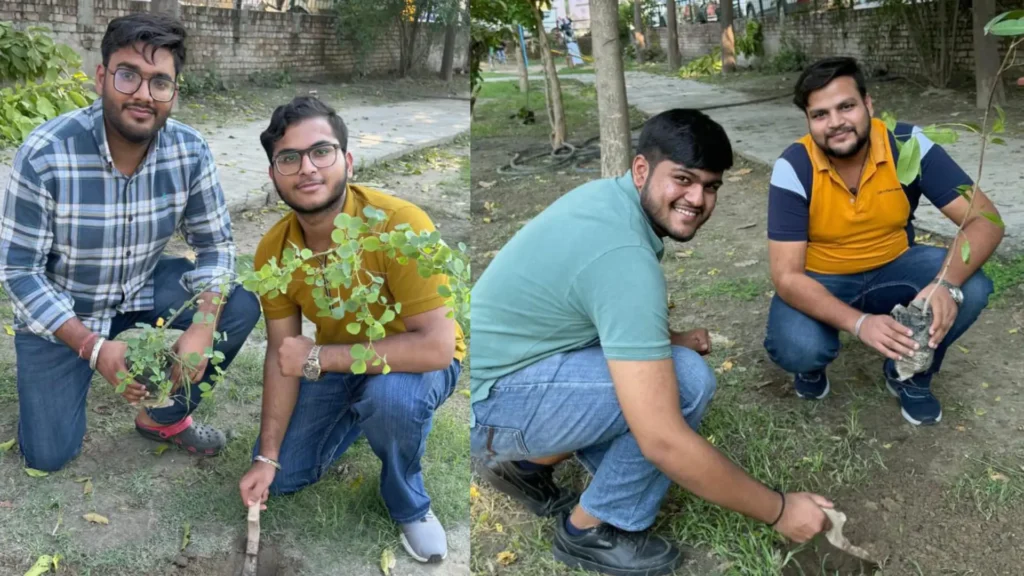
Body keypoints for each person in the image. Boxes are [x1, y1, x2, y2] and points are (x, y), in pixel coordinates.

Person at [470, 109, 833, 576]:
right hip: (492, 406)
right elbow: (661, 439)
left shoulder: (609, 202)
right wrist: (779, 509)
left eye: (711, 185)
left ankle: (526, 467)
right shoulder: (623, 255)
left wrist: (673, 338)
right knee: (684, 383)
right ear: (642, 169)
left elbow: (593, 307)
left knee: (671, 363)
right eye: (682, 179)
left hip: (502, 374)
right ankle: (590, 531)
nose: (697, 198)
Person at [0, 14, 260, 472]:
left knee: (236, 305)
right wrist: (93, 348)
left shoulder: (189, 151)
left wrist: (202, 324)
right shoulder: (45, 154)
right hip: (68, 304)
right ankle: (63, 381)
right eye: (128, 76)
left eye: (160, 81)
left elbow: (216, 245)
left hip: (140, 285)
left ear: (174, 91)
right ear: (101, 77)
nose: (143, 94)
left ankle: (163, 414)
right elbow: (20, 271)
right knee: (49, 455)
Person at [236, 97, 465, 564]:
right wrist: (267, 456)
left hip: (414, 364)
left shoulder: (399, 225)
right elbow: (283, 354)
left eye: (322, 151)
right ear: (273, 174)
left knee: (392, 399)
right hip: (341, 362)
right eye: (289, 158)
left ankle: (411, 505)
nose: (307, 169)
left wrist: (321, 359)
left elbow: (436, 348)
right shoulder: (274, 252)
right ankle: (366, 412)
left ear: (348, 160)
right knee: (287, 476)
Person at [765, 57, 1003, 426]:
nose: (836, 123)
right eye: (820, 114)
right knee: (799, 348)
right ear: (808, 121)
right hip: (821, 277)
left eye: (846, 106)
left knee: (969, 286)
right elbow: (787, 277)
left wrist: (943, 284)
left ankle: (908, 371)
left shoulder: (907, 144)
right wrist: (860, 324)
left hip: (894, 266)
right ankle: (811, 368)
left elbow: (984, 220)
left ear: (868, 105)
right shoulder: (793, 167)